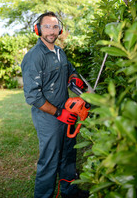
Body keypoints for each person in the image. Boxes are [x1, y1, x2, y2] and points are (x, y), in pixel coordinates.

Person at [21, 11, 89, 198]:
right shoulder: (34, 57)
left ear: (60, 30)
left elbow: (69, 71)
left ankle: (69, 191)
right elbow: (33, 96)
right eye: (47, 26)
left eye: (55, 26)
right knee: (50, 160)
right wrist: (59, 113)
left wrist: (74, 78)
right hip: (48, 117)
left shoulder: (59, 52)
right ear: (38, 29)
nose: (51, 31)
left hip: (67, 111)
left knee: (68, 154)